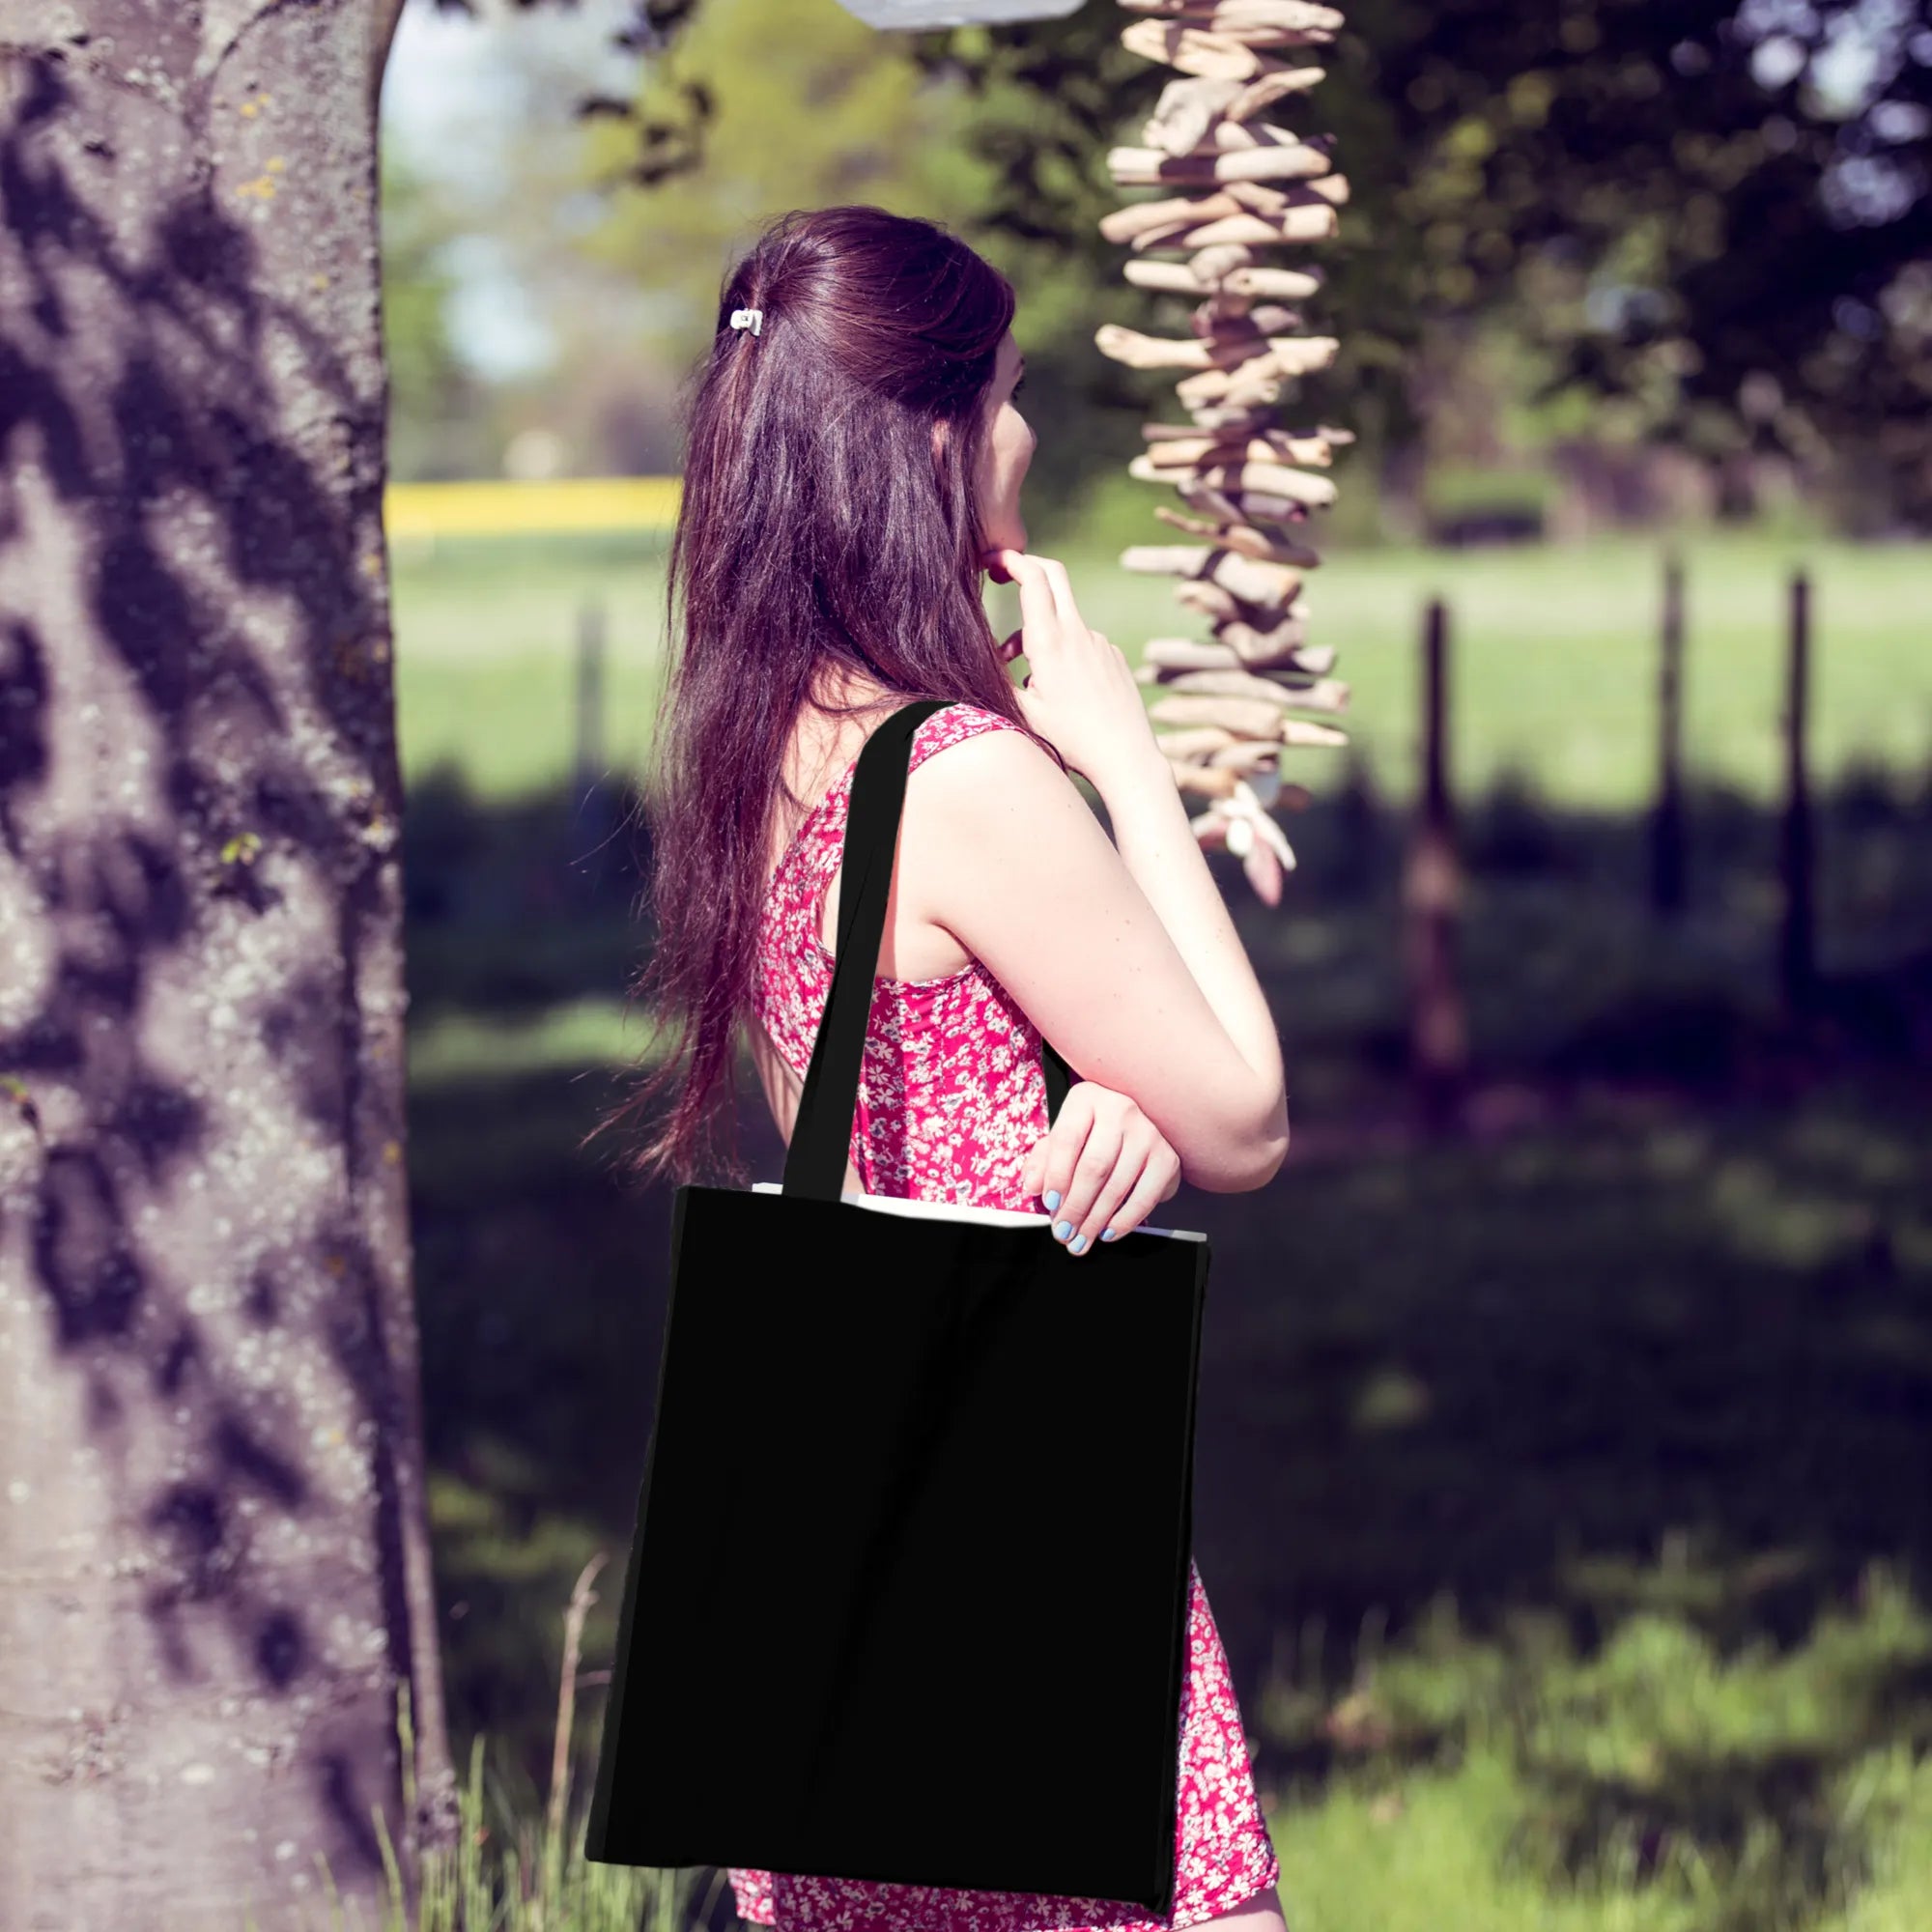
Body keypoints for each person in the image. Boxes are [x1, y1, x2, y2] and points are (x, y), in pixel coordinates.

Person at [591, 205, 1292, 1932]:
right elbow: (1246, 1117)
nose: (1029, 433)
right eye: (1011, 391)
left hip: (844, 1571)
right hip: (1022, 1523)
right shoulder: (966, 777)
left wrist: (1097, 1094)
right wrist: (1127, 762)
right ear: (929, 435)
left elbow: (878, 1090)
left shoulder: (764, 749)